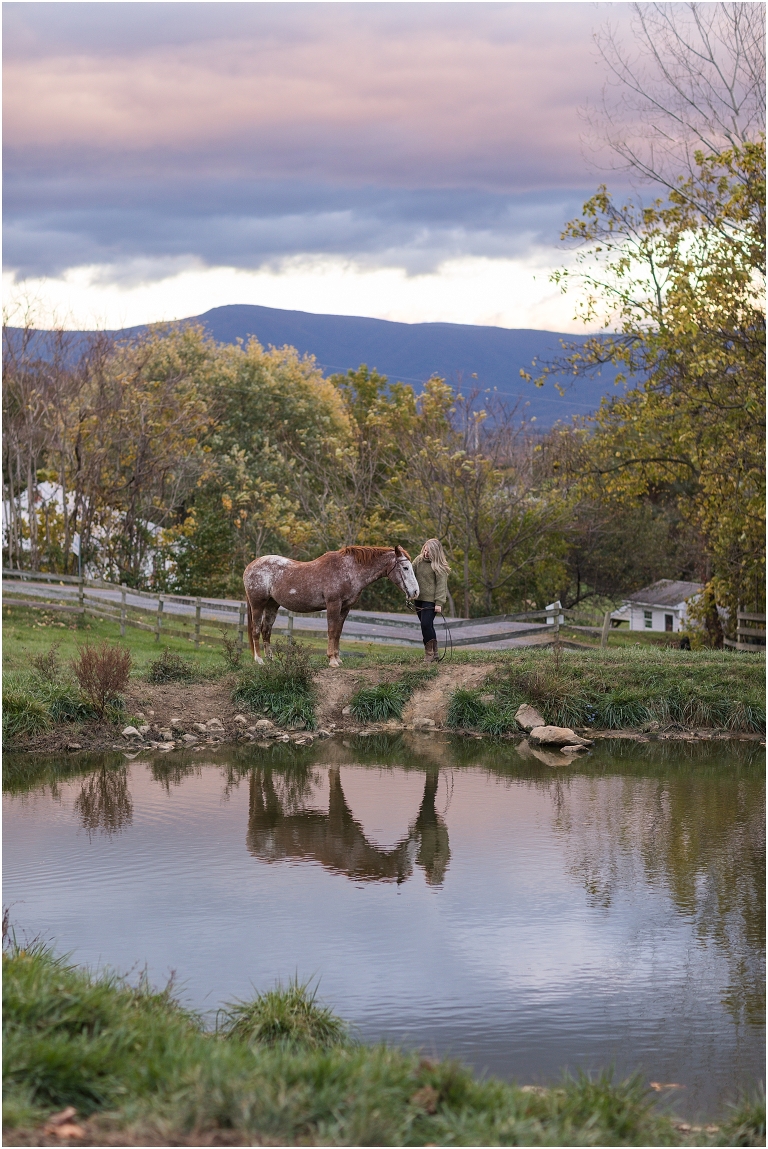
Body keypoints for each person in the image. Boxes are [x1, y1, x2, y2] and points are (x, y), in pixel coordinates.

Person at [412, 538, 450, 662]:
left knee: (426, 624)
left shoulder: (438, 566)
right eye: (425, 550)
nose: (425, 553)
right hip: (418, 599)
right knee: (427, 627)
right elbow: (410, 575)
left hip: (431, 601)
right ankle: (435, 654)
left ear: (435, 552)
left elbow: (441, 586)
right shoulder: (418, 560)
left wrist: (439, 603)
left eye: (429, 552)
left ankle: (429, 655)